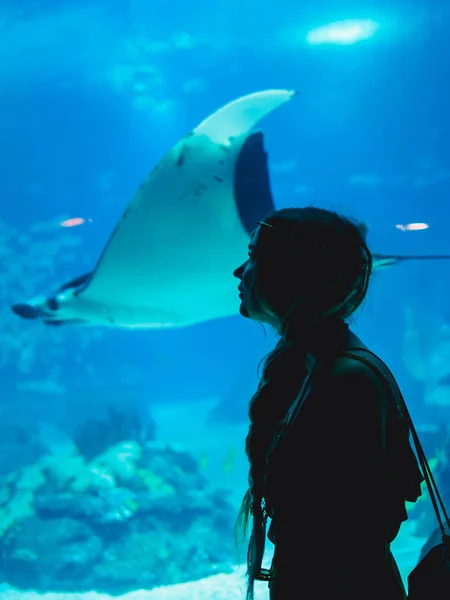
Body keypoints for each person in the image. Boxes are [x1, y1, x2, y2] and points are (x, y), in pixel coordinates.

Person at [233, 207, 424, 600]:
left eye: (253, 257)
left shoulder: (344, 381)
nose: (239, 271)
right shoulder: (313, 367)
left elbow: (347, 532)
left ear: (290, 272)